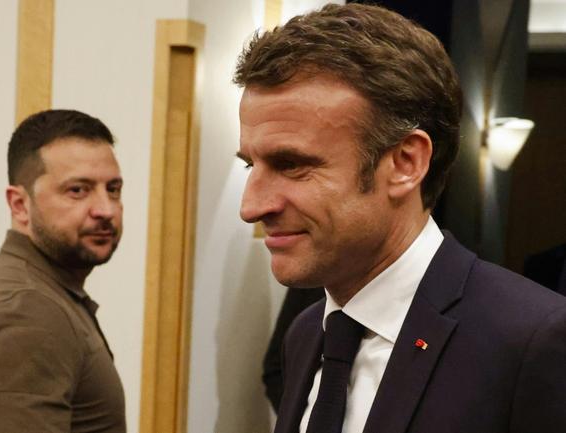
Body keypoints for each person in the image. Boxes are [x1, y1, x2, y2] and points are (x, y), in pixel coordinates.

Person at [234, 4, 566, 433]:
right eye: (250, 166)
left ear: (406, 163)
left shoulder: (531, 340)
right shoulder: (305, 334)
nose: (251, 207)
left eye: (292, 165)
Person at [0, 109, 126, 433]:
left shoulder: (40, 290)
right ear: (19, 204)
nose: (106, 209)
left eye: (113, 189)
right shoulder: (26, 310)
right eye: (78, 190)